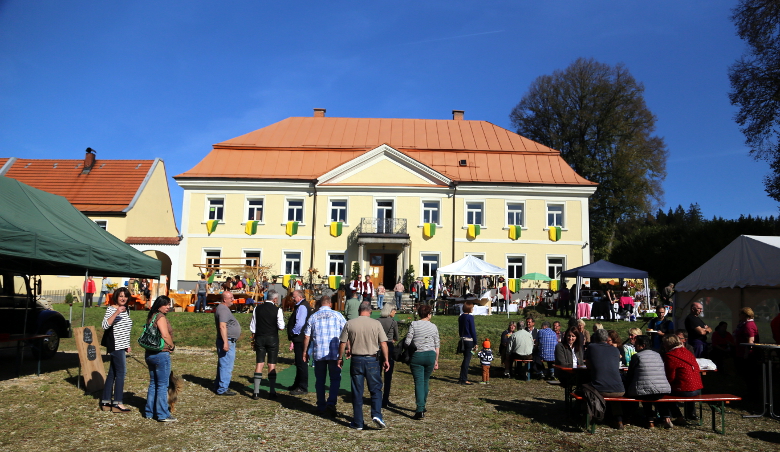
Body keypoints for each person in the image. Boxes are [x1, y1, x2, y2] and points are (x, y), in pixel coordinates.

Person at [338, 302, 390, 430]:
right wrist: (386, 359)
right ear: (370, 311)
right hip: (372, 359)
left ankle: (358, 421)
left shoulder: (350, 323)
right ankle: (376, 414)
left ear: (359, 310)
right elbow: (383, 343)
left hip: (356, 359)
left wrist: (340, 358)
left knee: (357, 391)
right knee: (376, 389)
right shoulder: (376, 323)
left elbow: (343, 342)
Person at [303, 295, 346, 416]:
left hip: (319, 353)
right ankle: (331, 402)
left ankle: (321, 405)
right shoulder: (338, 316)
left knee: (320, 380)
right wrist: (349, 347)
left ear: (320, 304)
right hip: (334, 353)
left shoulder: (313, 316)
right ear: (330, 304)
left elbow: (307, 336)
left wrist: (305, 351)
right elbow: (346, 332)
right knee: (335, 379)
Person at [624, 335, 672, 429]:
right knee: (654, 393)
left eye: (637, 344)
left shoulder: (636, 356)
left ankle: (649, 420)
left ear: (643, 345)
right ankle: (666, 418)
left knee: (644, 391)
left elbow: (630, 375)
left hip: (645, 390)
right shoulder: (658, 355)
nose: (635, 346)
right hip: (663, 388)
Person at [100, 286, 133, 413]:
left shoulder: (127, 310)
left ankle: (106, 401)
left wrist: (127, 344)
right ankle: (118, 403)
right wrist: (116, 312)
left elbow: (125, 330)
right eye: (120, 296)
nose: (123, 298)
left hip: (122, 345)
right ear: (116, 297)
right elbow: (105, 325)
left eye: (125, 296)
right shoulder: (111, 309)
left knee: (113, 373)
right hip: (115, 345)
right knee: (121, 373)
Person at [143, 296, 176, 422]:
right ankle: (162, 414)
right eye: (166, 305)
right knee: (163, 385)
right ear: (159, 305)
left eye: (169, 304)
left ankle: (149, 411)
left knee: (153, 384)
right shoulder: (160, 317)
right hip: (161, 354)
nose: (168, 307)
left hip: (149, 354)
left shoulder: (151, 316)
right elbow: (165, 334)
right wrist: (172, 346)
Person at [585, 329, 625, 429]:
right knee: (612, 390)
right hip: (619, 389)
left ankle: (594, 416)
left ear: (595, 338)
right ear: (607, 339)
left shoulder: (591, 347)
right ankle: (619, 420)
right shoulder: (615, 350)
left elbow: (588, 364)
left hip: (600, 389)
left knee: (585, 388)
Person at [406, 304, 440, 420]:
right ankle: (423, 404)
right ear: (429, 314)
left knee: (419, 382)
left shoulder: (414, 324)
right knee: (426, 381)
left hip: (417, 355)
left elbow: (407, 341)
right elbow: (437, 344)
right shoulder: (433, 327)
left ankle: (420, 409)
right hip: (430, 355)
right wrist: (436, 360)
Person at [249, 289, 284, 400]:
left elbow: (253, 327)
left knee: (259, 363)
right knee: (271, 364)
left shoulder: (257, 308)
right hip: (272, 338)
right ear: (274, 299)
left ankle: (255, 392)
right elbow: (281, 326)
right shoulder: (277, 310)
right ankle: (272, 391)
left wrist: (253, 339)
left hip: (260, 337)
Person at [662, 334, 703, 425]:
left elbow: (670, 376)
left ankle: (673, 417)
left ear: (669, 344)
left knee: (663, 393)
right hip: (697, 388)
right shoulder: (687, 352)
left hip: (685, 389)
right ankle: (688, 414)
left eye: (664, 344)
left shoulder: (670, 356)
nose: (663, 346)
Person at [214, 291, 241, 396]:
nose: (233, 299)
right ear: (224, 299)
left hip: (228, 340)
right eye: (231, 298)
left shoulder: (223, 309)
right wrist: (225, 342)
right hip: (227, 340)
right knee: (226, 365)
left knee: (223, 364)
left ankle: (219, 385)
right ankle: (223, 388)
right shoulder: (223, 310)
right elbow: (222, 326)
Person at [734, 307, 761, 405]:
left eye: (740, 314)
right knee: (747, 375)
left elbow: (751, 339)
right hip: (742, 352)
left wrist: (746, 353)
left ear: (745, 315)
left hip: (748, 354)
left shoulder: (748, 325)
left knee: (750, 375)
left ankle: (753, 394)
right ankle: (750, 392)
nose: (739, 316)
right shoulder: (744, 324)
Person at [287, 290, 311, 395]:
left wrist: (293, 332)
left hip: (300, 338)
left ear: (300, 297)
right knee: (299, 362)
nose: (293, 299)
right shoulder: (301, 305)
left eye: (294, 297)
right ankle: (297, 384)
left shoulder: (302, 306)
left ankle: (302, 386)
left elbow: (300, 323)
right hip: (300, 338)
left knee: (301, 362)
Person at [377, 303, 398, 408]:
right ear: (390, 311)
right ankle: (385, 399)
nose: (395, 312)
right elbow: (396, 336)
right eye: (394, 310)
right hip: (389, 346)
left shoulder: (377, 321)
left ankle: (377, 397)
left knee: (378, 375)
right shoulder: (393, 322)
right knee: (388, 376)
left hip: (378, 348)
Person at [458, 301, 477, 385]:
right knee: (467, 360)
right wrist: (475, 342)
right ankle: (464, 378)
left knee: (465, 359)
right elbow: (472, 330)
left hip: (462, 339)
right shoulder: (470, 317)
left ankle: (462, 377)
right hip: (469, 340)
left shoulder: (461, 317)